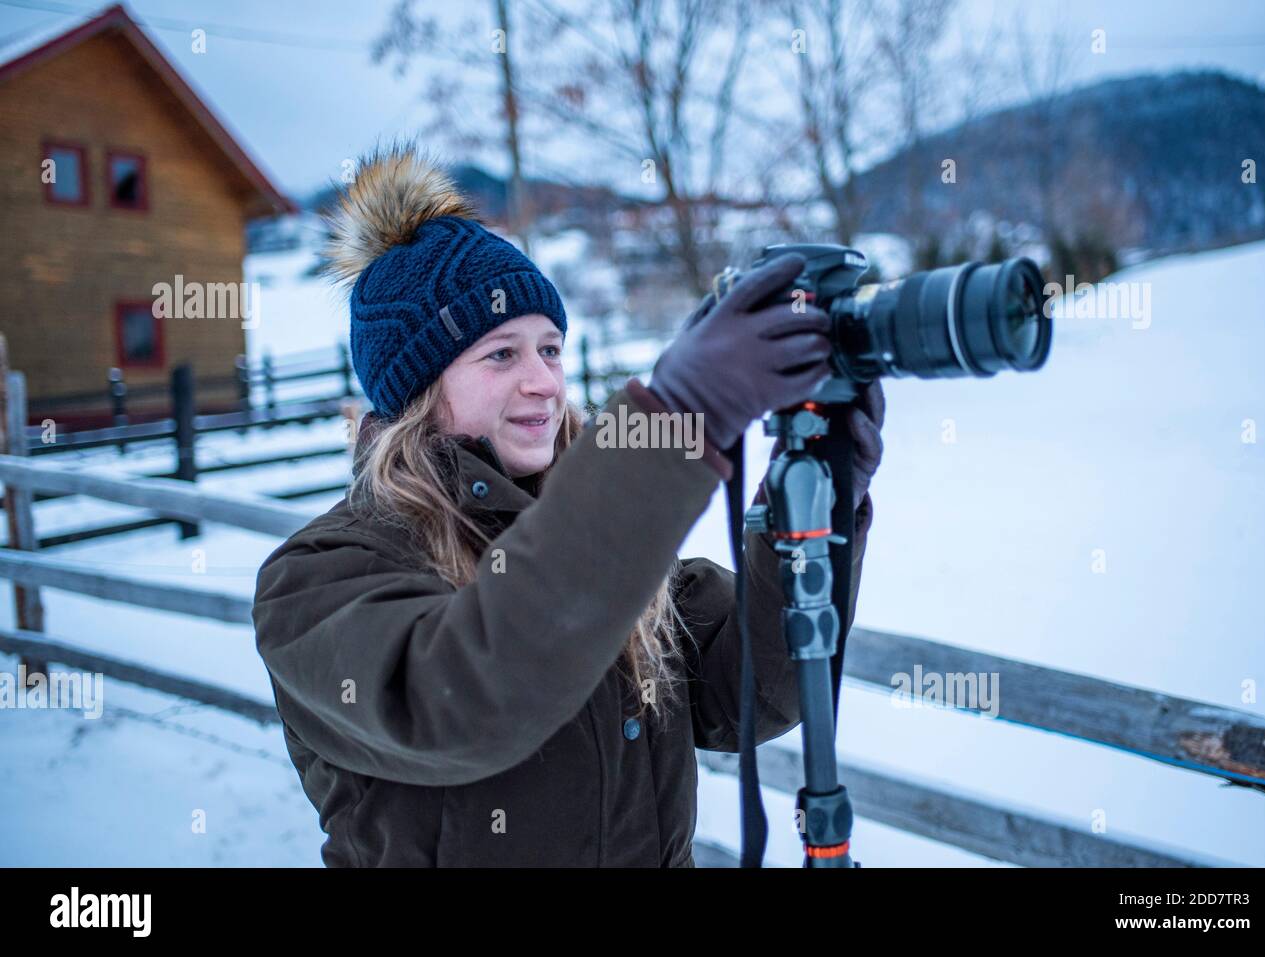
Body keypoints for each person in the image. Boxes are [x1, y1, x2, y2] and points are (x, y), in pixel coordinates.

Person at [251, 141, 886, 867]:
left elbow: (752, 692)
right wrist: (672, 420)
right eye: (501, 354)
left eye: (550, 350)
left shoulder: (601, 547)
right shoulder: (317, 579)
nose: (544, 382)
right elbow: (464, 701)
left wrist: (812, 515)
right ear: (415, 392)